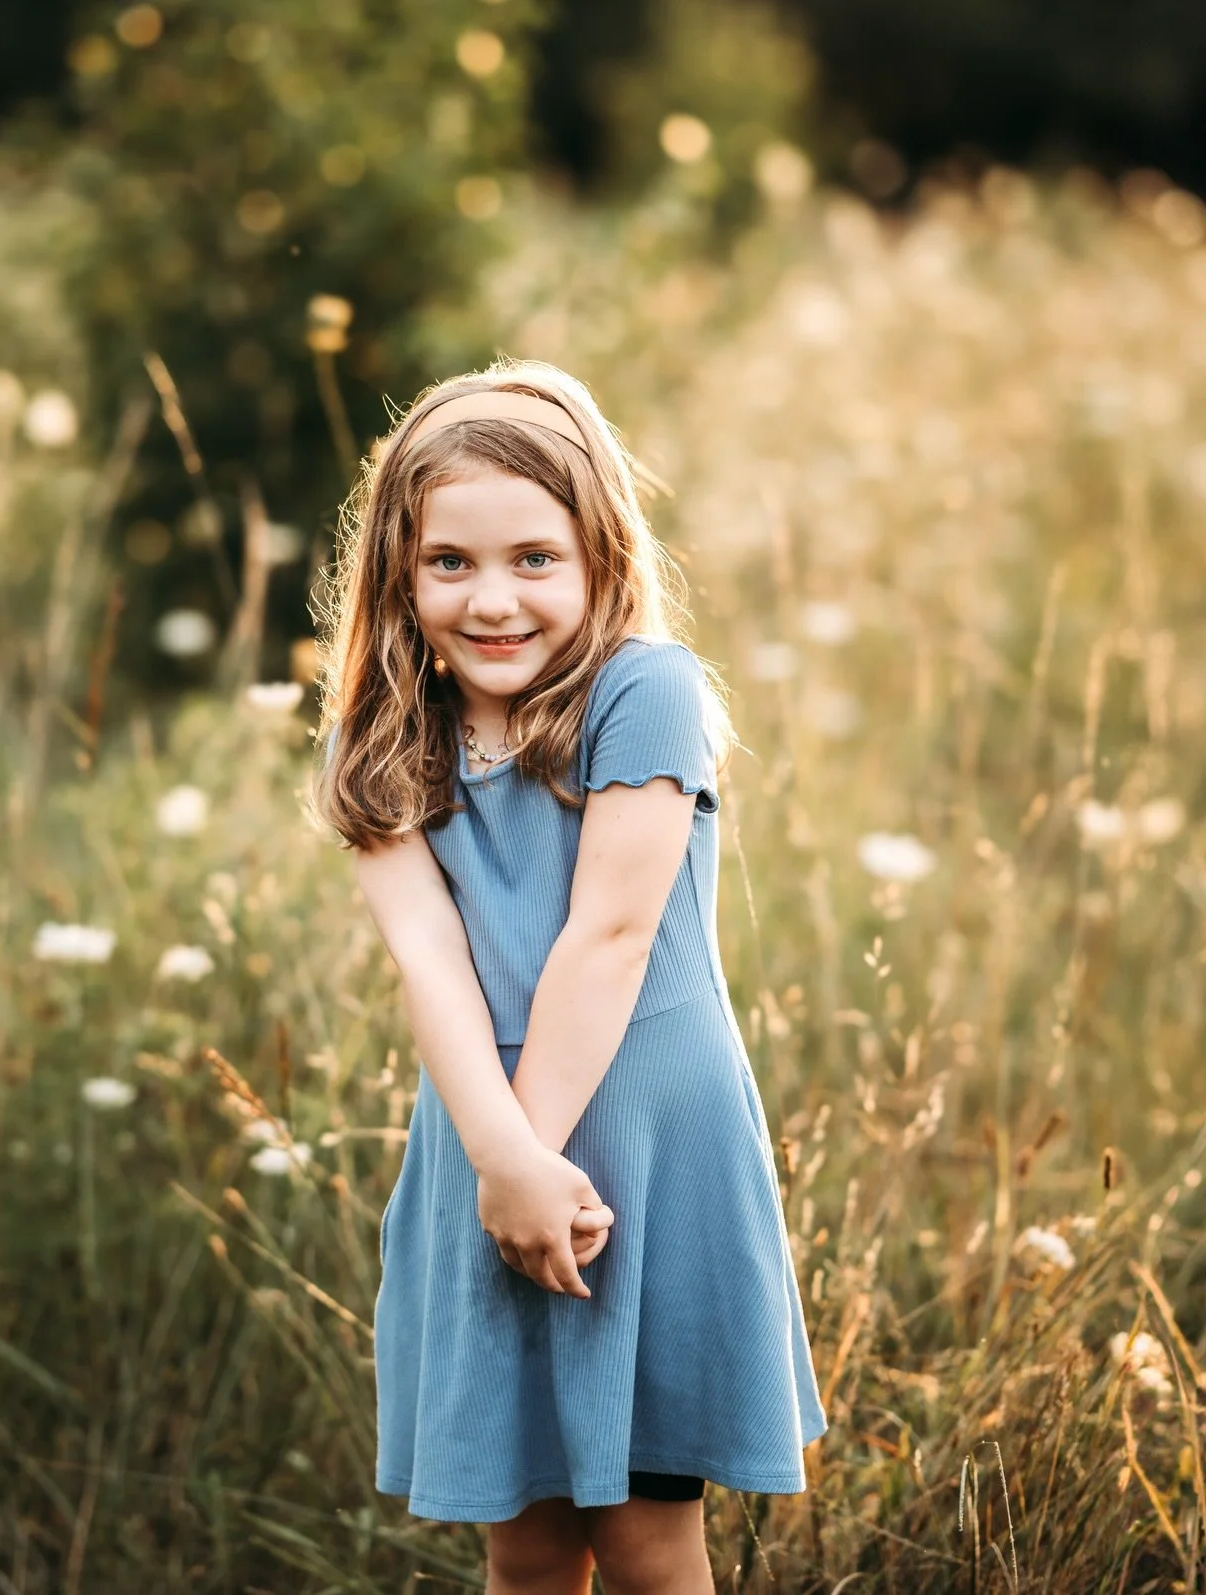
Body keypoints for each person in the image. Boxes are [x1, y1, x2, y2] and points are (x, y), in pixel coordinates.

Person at [307, 357, 827, 1593]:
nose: (493, 599)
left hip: (641, 1152)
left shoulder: (645, 691)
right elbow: (430, 961)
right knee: (527, 1544)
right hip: (486, 1144)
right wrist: (503, 1165)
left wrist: (528, 1167)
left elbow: (610, 935)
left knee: (646, 1543)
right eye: (450, 561)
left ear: (602, 555)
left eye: (535, 558)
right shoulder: (380, 735)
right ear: (399, 570)